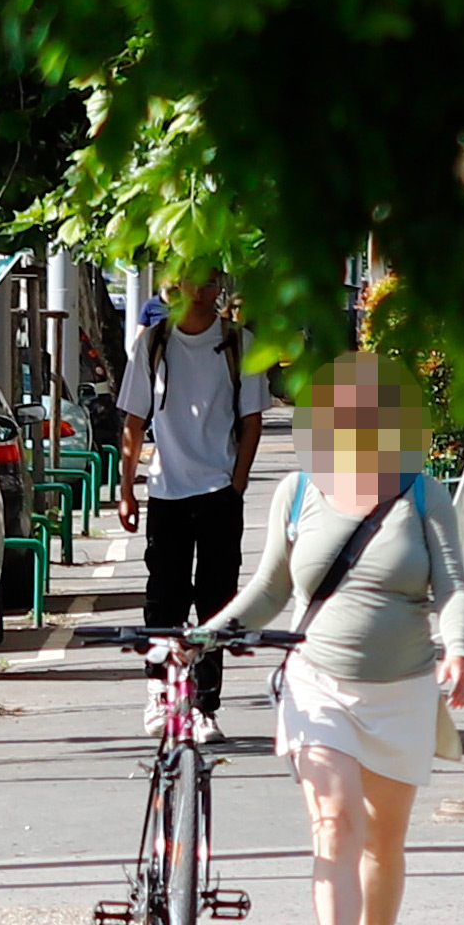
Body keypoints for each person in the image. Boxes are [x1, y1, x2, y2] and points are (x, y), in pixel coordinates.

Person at [196, 350, 464, 925]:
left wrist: (460, 647)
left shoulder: (421, 492)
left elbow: (455, 586)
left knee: (383, 840)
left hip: (401, 688)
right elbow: (268, 590)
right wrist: (204, 636)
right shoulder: (295, 492)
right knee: (334, 823)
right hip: (316, 684)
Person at [116, 270, 267, 740]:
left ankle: (203, 704)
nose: (202, 291)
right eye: (191, 281)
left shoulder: (240, 343)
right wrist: (127, 489)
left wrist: (236, 484)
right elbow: (134, 421)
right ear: (174, 286)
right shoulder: (154, 343)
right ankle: (162, 694)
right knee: (164, 598)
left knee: (216, 601)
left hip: (219, 491)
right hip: (167, 491)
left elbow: (252, 421)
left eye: (210, 281)